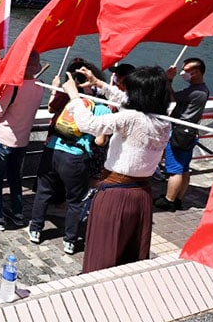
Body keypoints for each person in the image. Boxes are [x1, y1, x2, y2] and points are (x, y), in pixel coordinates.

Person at [66, 65, 171, 273]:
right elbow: (125, 101)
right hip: (141, 195)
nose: (126, 93)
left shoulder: (132, 118)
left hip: (116, 194)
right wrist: (99, 84)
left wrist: (74, 97)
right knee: (129, 254)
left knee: (104, 249)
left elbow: (90, 125)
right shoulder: (164, 119)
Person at [29, 59, 110, 255]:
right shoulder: (100, 106)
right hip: (75, 157)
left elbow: (51, 109)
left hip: (52, 150)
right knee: (75, 200)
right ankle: (70, 240)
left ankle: (35, 229)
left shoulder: (65, 99)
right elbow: (100, 142)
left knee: (44, 191)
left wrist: (56, 89)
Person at [0, 52, 44, 231]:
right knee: (16, 178)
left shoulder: (13, 87)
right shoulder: (39, 88)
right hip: (23, 140)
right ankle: (17, 212)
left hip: (3, 138)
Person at [155, 57, 208, 212]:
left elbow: (172, 97)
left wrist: (168, 80)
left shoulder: (196, 91)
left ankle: (169, 200)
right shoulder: (201, 89)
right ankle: (178, 198)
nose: (183, 73)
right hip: (189, 132)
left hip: (179, 131)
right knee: (184, 168)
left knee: (175, 169)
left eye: (186, 71)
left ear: (196, 72)